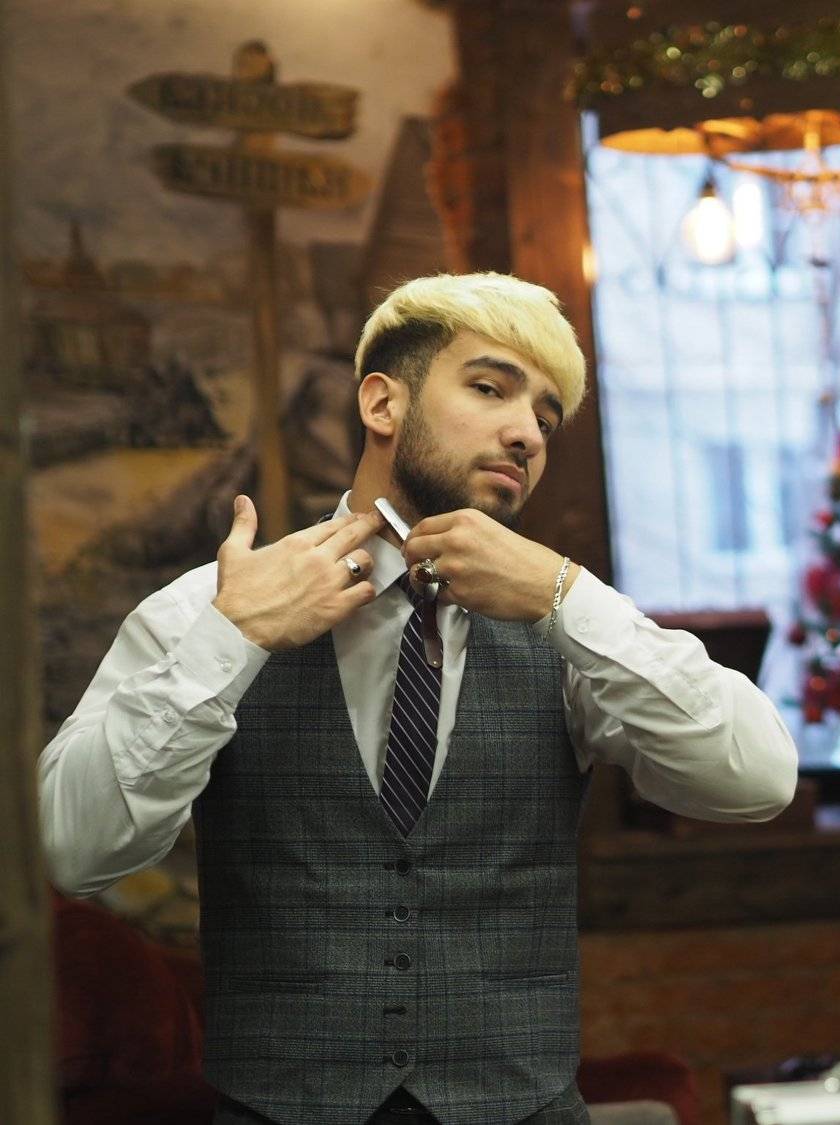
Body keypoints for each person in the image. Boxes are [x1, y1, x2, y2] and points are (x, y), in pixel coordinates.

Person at [38, 272, 800, 1125]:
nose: (526, 433)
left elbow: (758, 778)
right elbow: (71, 849)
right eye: (490, 388)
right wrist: (230, 638)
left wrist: (569, 597)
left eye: (546, 419)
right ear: (381, 403)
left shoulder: (574, 631)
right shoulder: (208, 609)